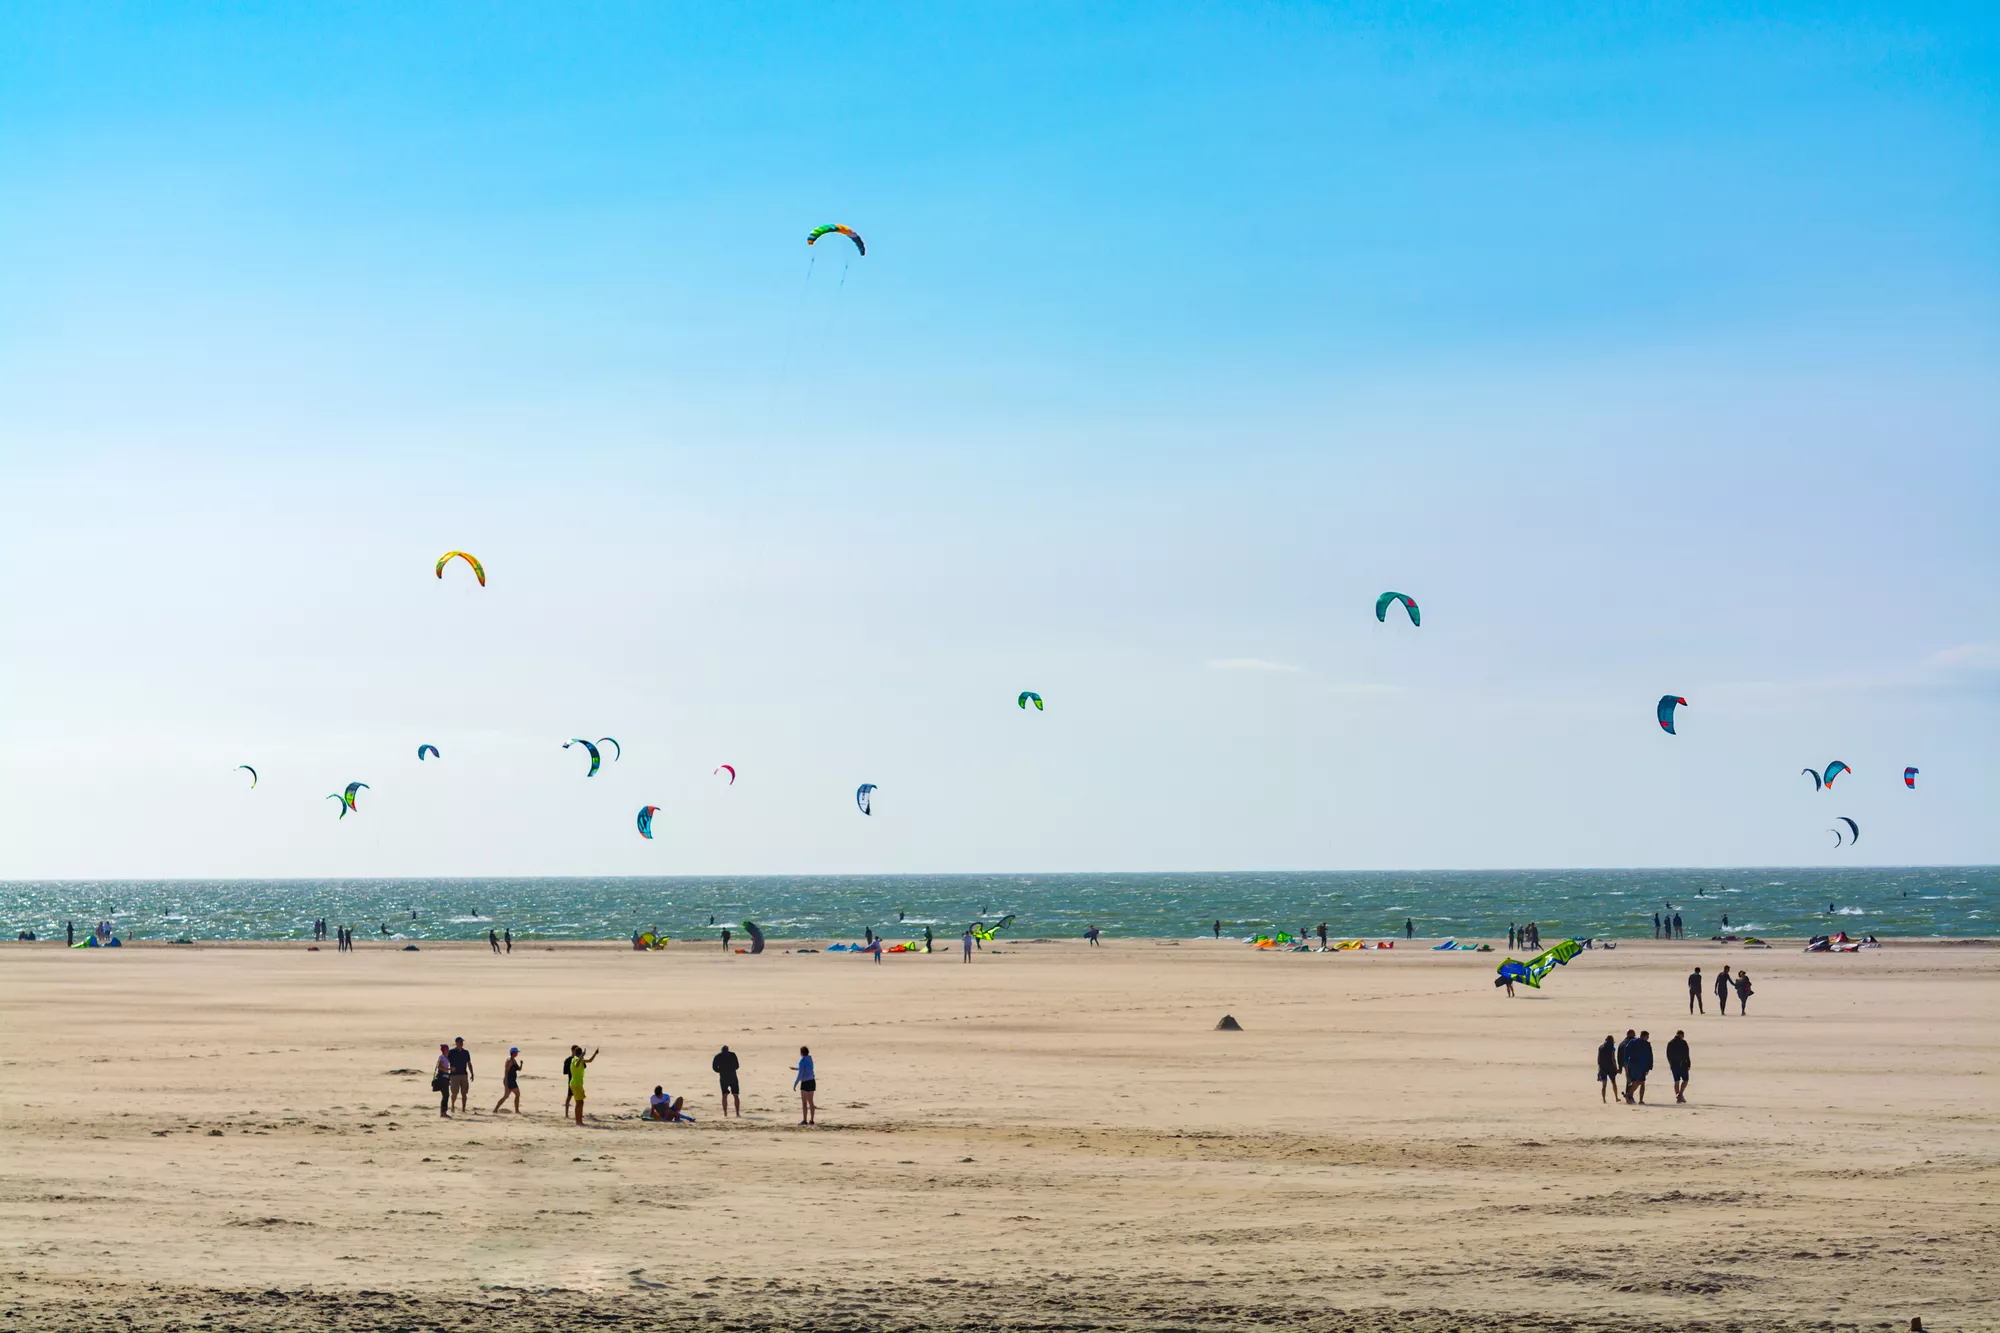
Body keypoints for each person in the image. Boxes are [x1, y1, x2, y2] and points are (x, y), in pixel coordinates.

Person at [565, 1045, 597, 1124]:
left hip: (576, 1083)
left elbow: (589, 1060)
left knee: (580, 1102)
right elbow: (577, 1064)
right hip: (576, 1084)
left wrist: (595, 1054)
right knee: (579, 1103)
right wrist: (581, 1056)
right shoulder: (575, 1059)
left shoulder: (579, 1060)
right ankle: (578, 1121)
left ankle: (579, 1120)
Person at [446, 1037, 474, 1113]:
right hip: (454, 1075)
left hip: (463, 1074)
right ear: (456, 1042)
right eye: (460, 1042)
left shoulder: (466, 1052)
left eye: (462, 1042)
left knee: (464, 1093)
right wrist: (449, 1069)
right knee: (454, 1092)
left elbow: (469, 1063)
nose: (461, 1043)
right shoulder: (451, 1052)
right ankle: (452, 1105)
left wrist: (472, 1073)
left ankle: (463, 1109)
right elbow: (446, 1061)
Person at [713, 1045, 741, 1117]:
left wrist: (721, 1071)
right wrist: (731, 1069)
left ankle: (725, 1114)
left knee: (724, 1095)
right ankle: (737, 1113)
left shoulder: (718, 1056)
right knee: (735, 1095)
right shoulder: (732, 1055)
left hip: (723, 1077)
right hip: (732, 1076)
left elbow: (714, 1067)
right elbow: (737, 1066)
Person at [1627, 1030, 1653, 1104]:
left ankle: (1630, 1097)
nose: (1648, 1038)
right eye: (1647, 1037)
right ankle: (1634, 1097)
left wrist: (1627, 1060)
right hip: (1641, 1066)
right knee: (1641, 1082)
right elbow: (1649, 1056)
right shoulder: (1646, 1044)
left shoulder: (1632, 1041)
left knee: (1635, 1082)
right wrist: (1649, 1067)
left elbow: (1626, 1049)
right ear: (1644, 1036)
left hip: (1632, 1064)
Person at [793, 1046, 816, 1125]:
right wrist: (796, 1068)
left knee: (804, 1102)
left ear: (801, 1052)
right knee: (811, 1102)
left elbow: (800, 1074)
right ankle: (812, 1120)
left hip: (805, 1082)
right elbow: (806, 1068)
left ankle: (804, 1120)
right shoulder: (810, 1059)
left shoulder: (801, 1060)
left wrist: (795, 1084)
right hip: (812, 1081)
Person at [1667, 1030, 1691, 1102]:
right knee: (1685, 1080)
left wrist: (1670, 1063)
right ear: (1681, 1035)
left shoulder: (1670, 1042)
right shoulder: (1683, 1042)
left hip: (1674, 1064)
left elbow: (1668, 1055)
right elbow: (1687, 1054)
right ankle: (1680, 1094)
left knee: (1676, 1081)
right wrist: (1689, 1064)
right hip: (1682, 1064)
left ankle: (1678, 1097)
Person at [433, 1044, 454, 1118]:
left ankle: (443, 1112)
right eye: (447, 1049)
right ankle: (443, 1113)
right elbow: (439, 1067)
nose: (448, 1050)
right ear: (444, 1050)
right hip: (442, 1078)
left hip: (445, 1078)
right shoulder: (442, 1057)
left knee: (446, 1095)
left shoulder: (446, 1057)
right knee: (446, 1095)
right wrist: (449, 1070)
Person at [1596, 1034, 1618, 1103]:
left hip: (1602, 1068)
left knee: (1604, 1085)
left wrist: (1599, 1066)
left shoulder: (1600, 1047)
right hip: (1610, 1067)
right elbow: (1613, 1058)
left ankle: (1604, 1100)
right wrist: (1616, 1067)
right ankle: (1616, 1098)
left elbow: (1598, 1058)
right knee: (1613, 1083)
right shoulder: (1612, 1047)